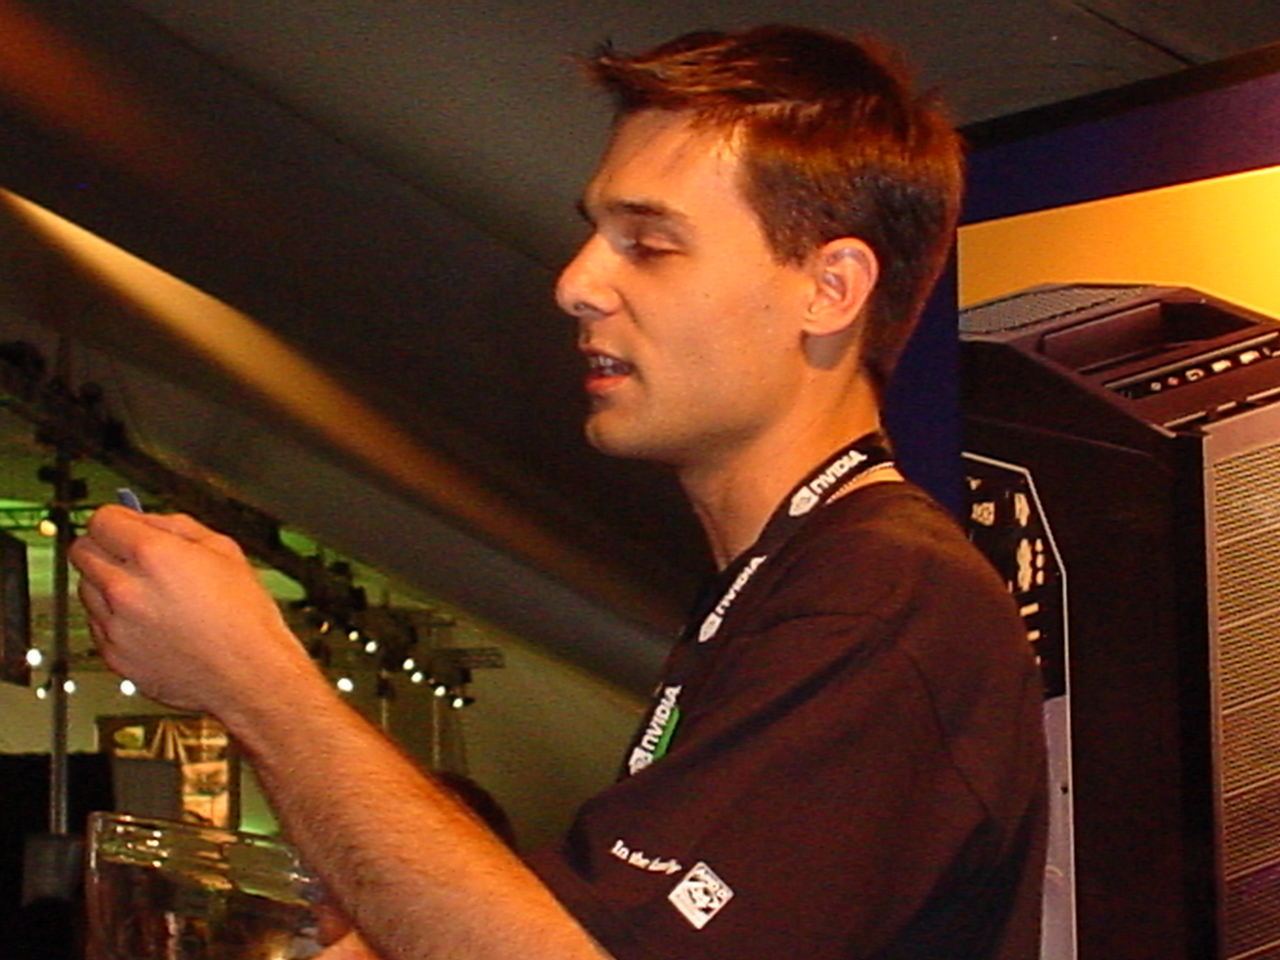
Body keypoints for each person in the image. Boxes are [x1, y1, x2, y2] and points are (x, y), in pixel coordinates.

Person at [70, 23, 1047, 960]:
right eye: (594, 234)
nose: (576, 283)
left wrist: (256, 683)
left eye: (649, 243)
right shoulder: (792, 586)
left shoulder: (884, 601)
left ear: (828, 290)